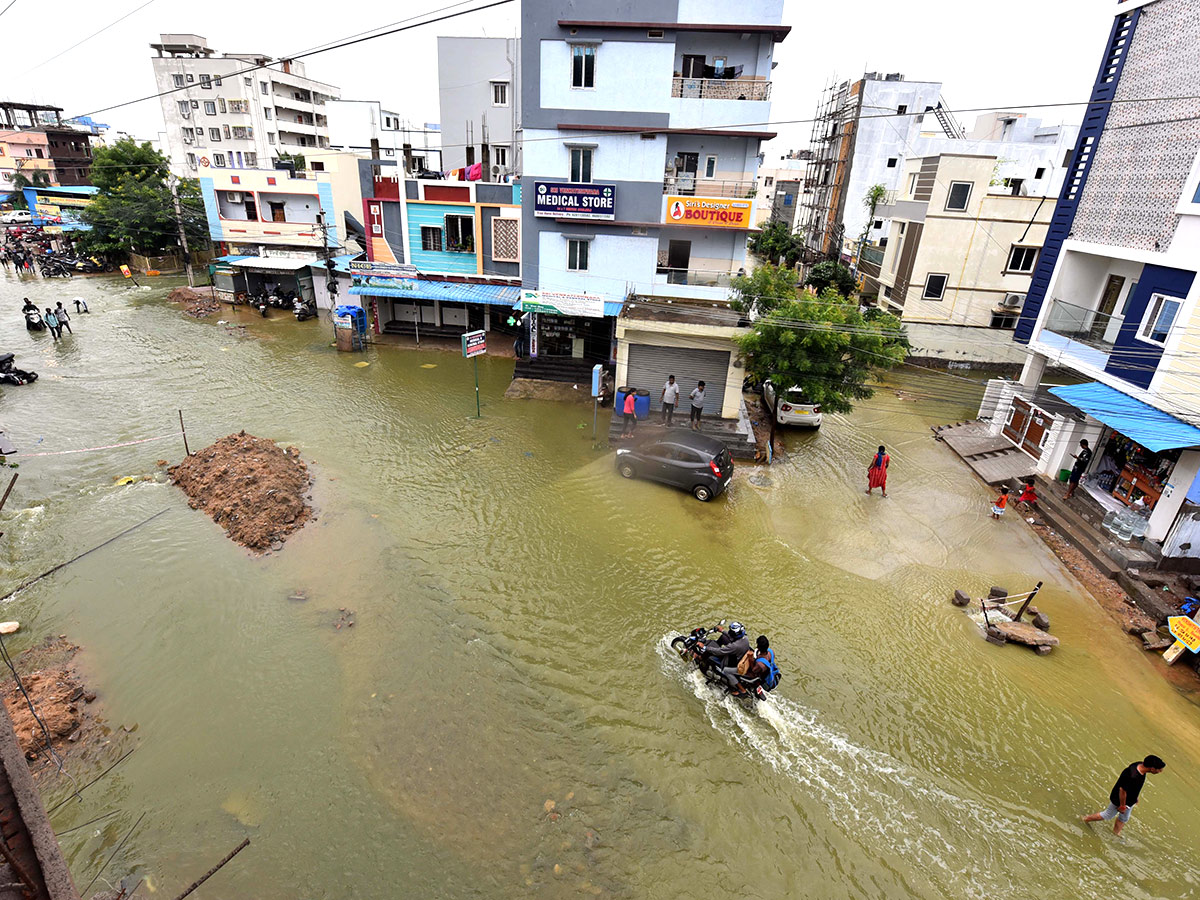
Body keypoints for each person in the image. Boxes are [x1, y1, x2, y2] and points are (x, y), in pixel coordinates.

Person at [1082, 755, 1165, 835]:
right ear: (1152, 768)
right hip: (1120, 799)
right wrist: (1122, 805)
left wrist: (1135, 797)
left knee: (1124, 818)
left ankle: (1116, 833)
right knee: (1107, 815)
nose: (1160, 771)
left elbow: (1134, 786)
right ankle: (1085, 819)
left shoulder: (1140, 766)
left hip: (1129, 800)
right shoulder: (1133, 775)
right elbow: (1122, 790)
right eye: (1159, 770)